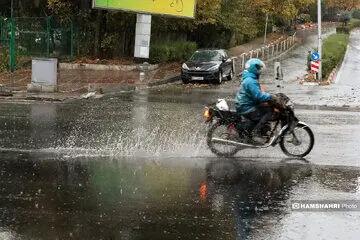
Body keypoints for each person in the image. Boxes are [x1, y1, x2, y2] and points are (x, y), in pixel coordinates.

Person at [235, 58, 273, 140]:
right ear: (253, 68)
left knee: (263, 109)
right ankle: (255, 133)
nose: (260, 70)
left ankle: (251, 132)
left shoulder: (249, 78)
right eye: (258, 68)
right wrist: (270, 96)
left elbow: (256, 93)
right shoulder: (251, 81)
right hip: (245, 107)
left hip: (244, 104)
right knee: (267, 112)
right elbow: (258, 96)